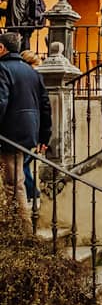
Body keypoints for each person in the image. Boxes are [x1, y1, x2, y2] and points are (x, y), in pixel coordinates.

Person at [0, 32, 51, 227]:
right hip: (26, 131)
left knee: (14, 184)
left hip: (9, 133)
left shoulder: (2, 69)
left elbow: (1, 102)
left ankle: (23, 231)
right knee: (16, 181)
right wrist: (44, 136)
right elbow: (45, 105)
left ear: (2, 48)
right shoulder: (32, 72)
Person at [20, 50, 42, 206]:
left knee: (23, 163)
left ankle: (32, 192)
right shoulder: (34, 78)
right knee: (23, 163)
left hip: (27, 128)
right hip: (31, 127)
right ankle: (32, 192)